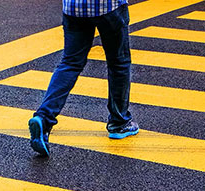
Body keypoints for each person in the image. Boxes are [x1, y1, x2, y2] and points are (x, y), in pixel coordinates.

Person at [28, 0, 139, 157]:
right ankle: (119, 122)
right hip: (109, 7)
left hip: (74, 8)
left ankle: (44, 117)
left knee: (69, 64)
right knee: (118, 63)